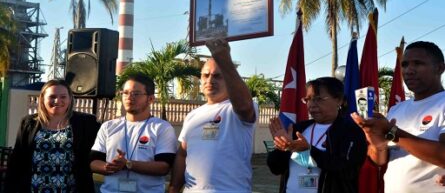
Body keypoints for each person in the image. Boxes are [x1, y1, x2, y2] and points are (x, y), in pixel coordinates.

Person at [352, 41, 445, 193]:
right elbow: (380, 161)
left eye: (418, 64)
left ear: (440, 68)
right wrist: (378, 145)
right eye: (405, 65)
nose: (409, 70)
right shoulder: (396, 109)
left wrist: (392, 132)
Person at [168, 38, 258, 193]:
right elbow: (182, 154)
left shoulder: (237, 109)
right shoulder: (192, 115)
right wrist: (174, 187)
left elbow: (244, 106)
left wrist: (225, 60)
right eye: (206, 75)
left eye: (217, 76)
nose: (210, 80)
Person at [267, 77, 368, 193]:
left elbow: (348, 171)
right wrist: (282, 147)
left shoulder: (351, 132)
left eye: (319, 99)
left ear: (339, 100)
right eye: (308, 99)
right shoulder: (297, 129)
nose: (312, 104)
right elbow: (275, 168)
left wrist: (309, 151)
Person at [5, 79, 100, 192]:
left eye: (63, 97)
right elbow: (17, 160)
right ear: (43, 99)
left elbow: (98, 152)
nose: (57, 100)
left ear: (70, 99)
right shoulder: (29, 123)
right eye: (52, 96)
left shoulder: (86, 123)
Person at [90, 74, 177, 193]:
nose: (129, 97)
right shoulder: (108, 126)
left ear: (150, 99)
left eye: (136, 94)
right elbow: (93, 161)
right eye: (125, 93)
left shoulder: (161, 128)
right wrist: (110, 167)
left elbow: (164, 167)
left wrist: (128, 164)